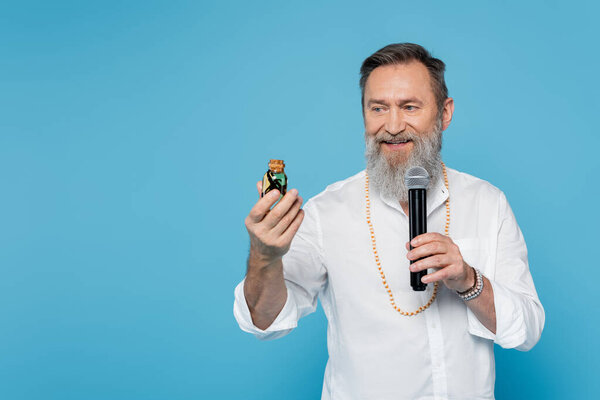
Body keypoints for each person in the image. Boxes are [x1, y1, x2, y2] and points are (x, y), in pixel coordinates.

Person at [233, 43, 545, 400]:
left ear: (444, 113)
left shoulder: (487, 202)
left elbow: (527, 330)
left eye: (409, 106)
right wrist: (264, 257)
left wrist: (468, 279)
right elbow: (265, 322)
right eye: (378, 108)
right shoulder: (327, 211)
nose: (393, 126)